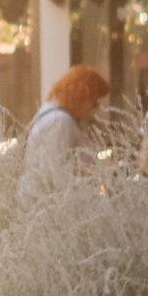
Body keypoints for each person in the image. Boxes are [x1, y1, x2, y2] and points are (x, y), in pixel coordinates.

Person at [19, 65, 109, 198]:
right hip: (49, 205)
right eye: (94, 102)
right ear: (81, 97)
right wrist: (89, 176)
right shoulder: (60, 121)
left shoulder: (52, 113)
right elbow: (56, 173)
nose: (95, 108)